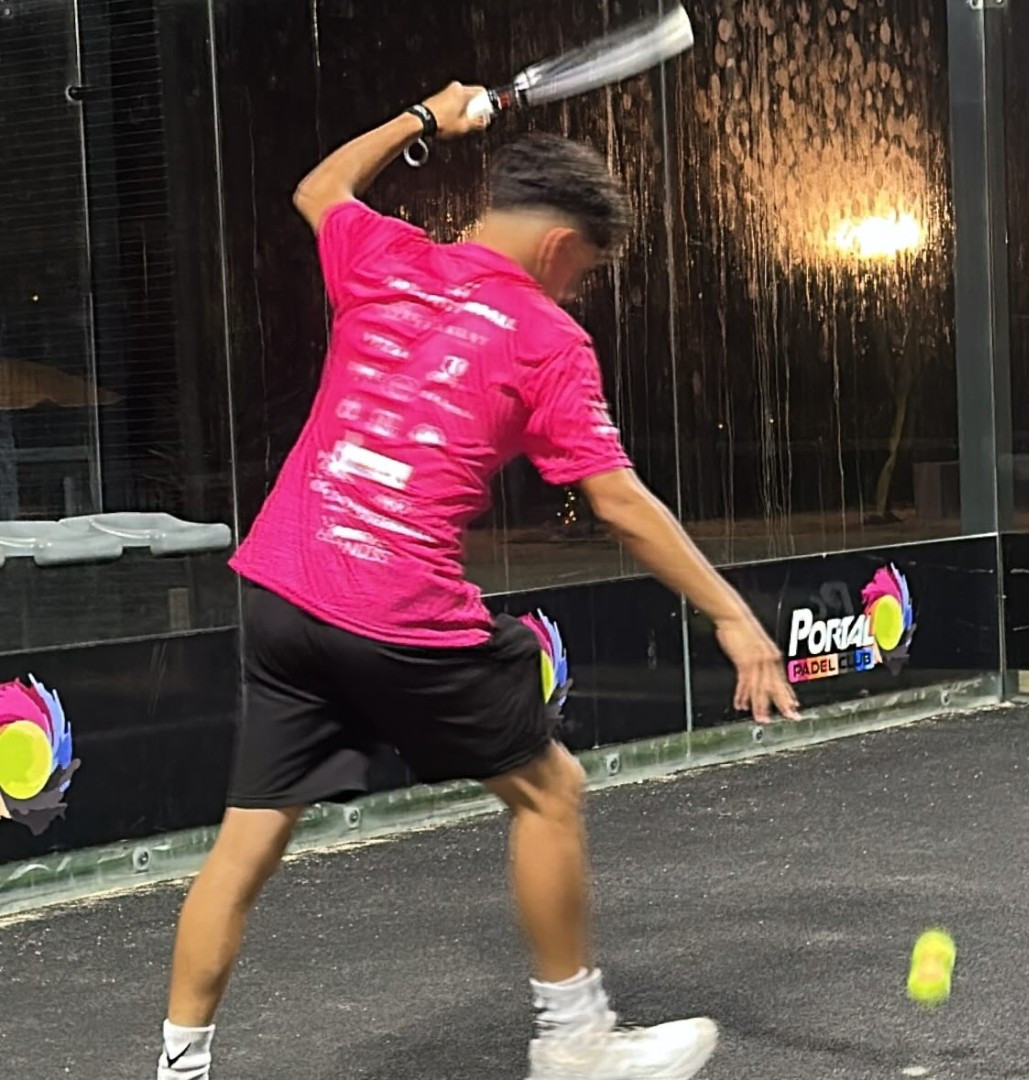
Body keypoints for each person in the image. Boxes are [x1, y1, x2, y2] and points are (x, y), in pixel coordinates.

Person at [155, 82, 799, 1080]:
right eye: (584, 271)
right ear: (560, 246)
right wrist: (732, 615)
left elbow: (319, 188)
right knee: (549, 791)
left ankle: (178, 1069)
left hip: (280, 590)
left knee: (243, 850)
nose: (577, 290)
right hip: (394, 611)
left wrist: (422, 118)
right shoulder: (548, 340)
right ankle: (575, 1043)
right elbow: (619, 502)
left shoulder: (387, 256)